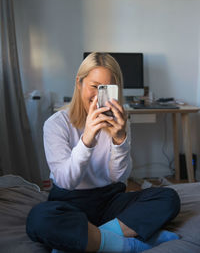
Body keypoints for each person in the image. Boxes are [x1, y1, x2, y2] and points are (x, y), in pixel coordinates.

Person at [26, 52, 180, 253]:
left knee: (168, 198)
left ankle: (88, 239)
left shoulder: (119, 120)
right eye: (94, 86)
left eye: (107, 88)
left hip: (109, 199)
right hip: (69, 200)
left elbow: (119, 178)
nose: (99, 95)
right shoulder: (56, 124)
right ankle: (126, 245)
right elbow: (66, 181)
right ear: (79, 83)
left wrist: (119, 140)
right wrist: (87, 139)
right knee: (39, 219)